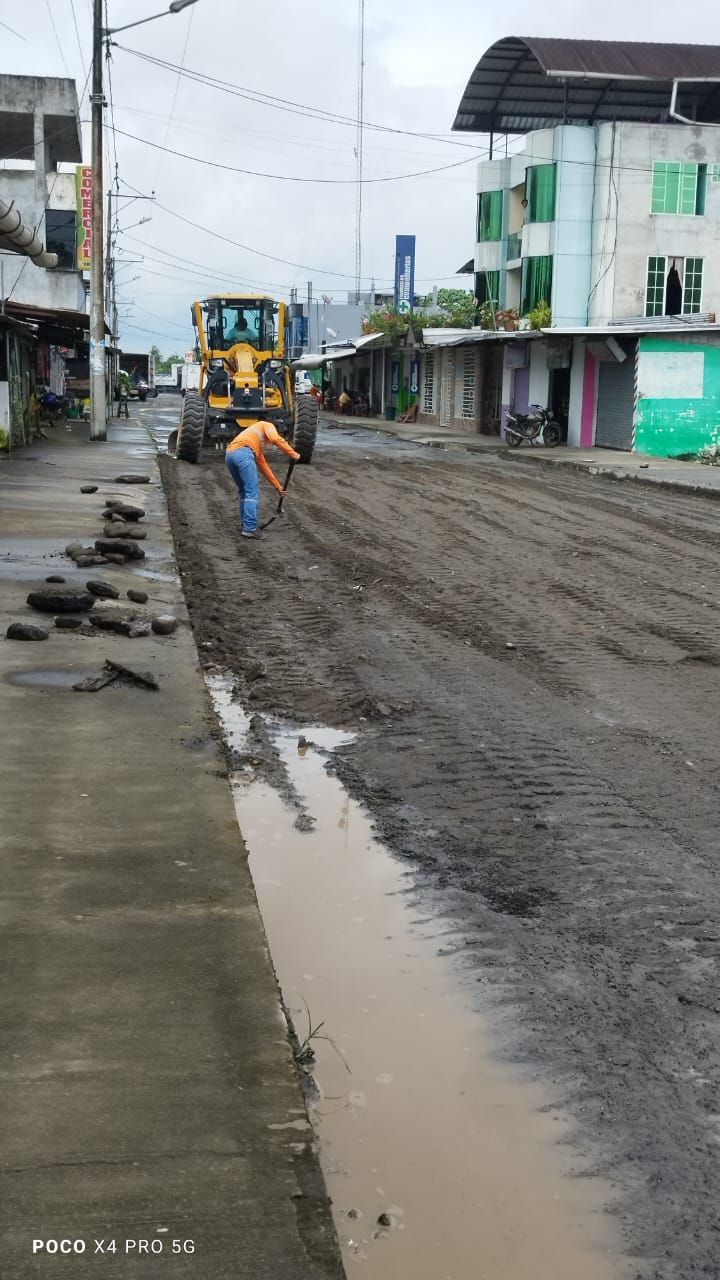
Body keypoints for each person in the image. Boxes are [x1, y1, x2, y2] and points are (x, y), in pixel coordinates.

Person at [225, 420, 300, 540]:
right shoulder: (267, 424)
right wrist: (292, 453)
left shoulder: (254, 441)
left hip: (229, 455)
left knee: (244, 491)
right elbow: (275, 439)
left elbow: (264, 466)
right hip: (243, 454)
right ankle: (249, 528)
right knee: (251, 491)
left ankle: (246, 524)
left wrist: (277, 486)